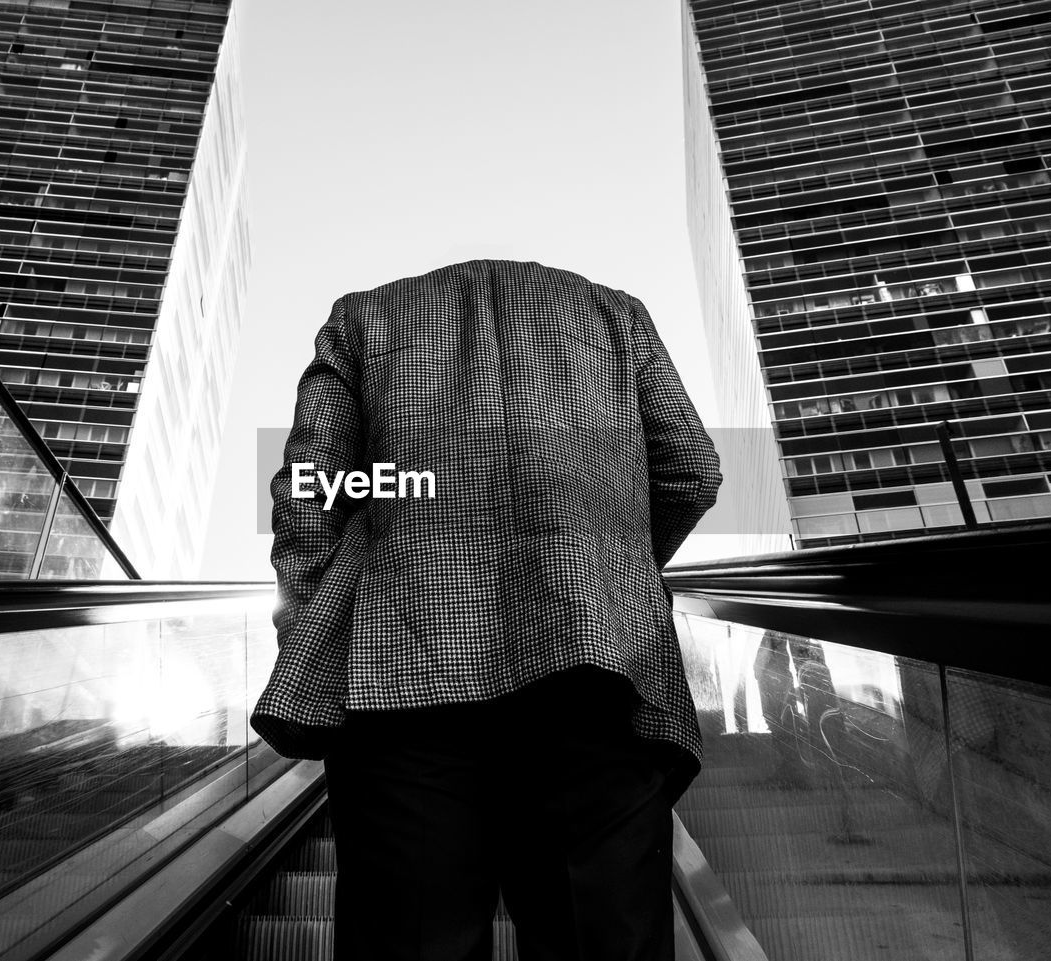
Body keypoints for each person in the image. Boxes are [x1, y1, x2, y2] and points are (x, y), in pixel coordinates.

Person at [252, 259, 721, 961]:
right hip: (600, 671)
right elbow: (691, 468)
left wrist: (317, 609)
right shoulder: (617, 315)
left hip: (399, 671)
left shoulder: (361, 317)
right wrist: (610, 567)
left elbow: (312, 486)